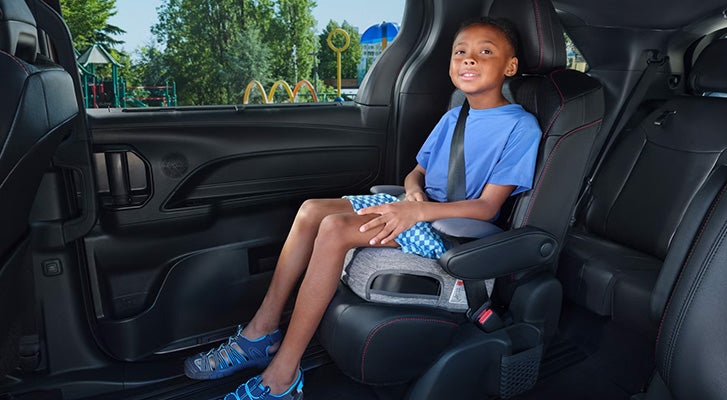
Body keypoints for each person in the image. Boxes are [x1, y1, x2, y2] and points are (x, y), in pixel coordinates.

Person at [185, 16, 542, 400]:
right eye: (461, 52)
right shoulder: (454, 117)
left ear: (510, 66)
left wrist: (417, 212)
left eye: (484, 52)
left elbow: (488, 208)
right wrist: (412, 193)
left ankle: (283, 375)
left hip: (453, 233)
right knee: (310, 210)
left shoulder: (521, 127)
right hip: (419, 212)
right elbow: (415, 173)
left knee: (336, 229)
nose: (469, 60)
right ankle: (262, 331)